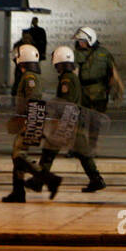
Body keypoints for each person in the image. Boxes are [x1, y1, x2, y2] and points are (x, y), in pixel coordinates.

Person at [33, 46, 107, 194]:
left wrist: (50, 104)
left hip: (67, 122)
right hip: (73, 121)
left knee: (49, 151)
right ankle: (96, 180)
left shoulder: (67, 79)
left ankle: (40, 181)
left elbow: (66, 101)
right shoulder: (71, 77)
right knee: (81, 153)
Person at [2, 45, 61, 203]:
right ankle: (18, 192)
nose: (15, 58)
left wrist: (28, 120)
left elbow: (33, 99)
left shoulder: (29, 77)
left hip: (29, 120)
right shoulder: (30, 75)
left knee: (19, 155)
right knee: (18, 155)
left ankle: (49, 179)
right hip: (29, 119)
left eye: (18, 56)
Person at [71, 26, 122, 115]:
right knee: (85, 119)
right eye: (79, 41)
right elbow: (74, 74)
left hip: (99, 93)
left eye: (82, 40)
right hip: (85, 93)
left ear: (89, 40)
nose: (79, 43)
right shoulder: (76, 54)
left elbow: (114, 74)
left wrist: (118, 90)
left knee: (97, 119)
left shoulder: (104, 53)